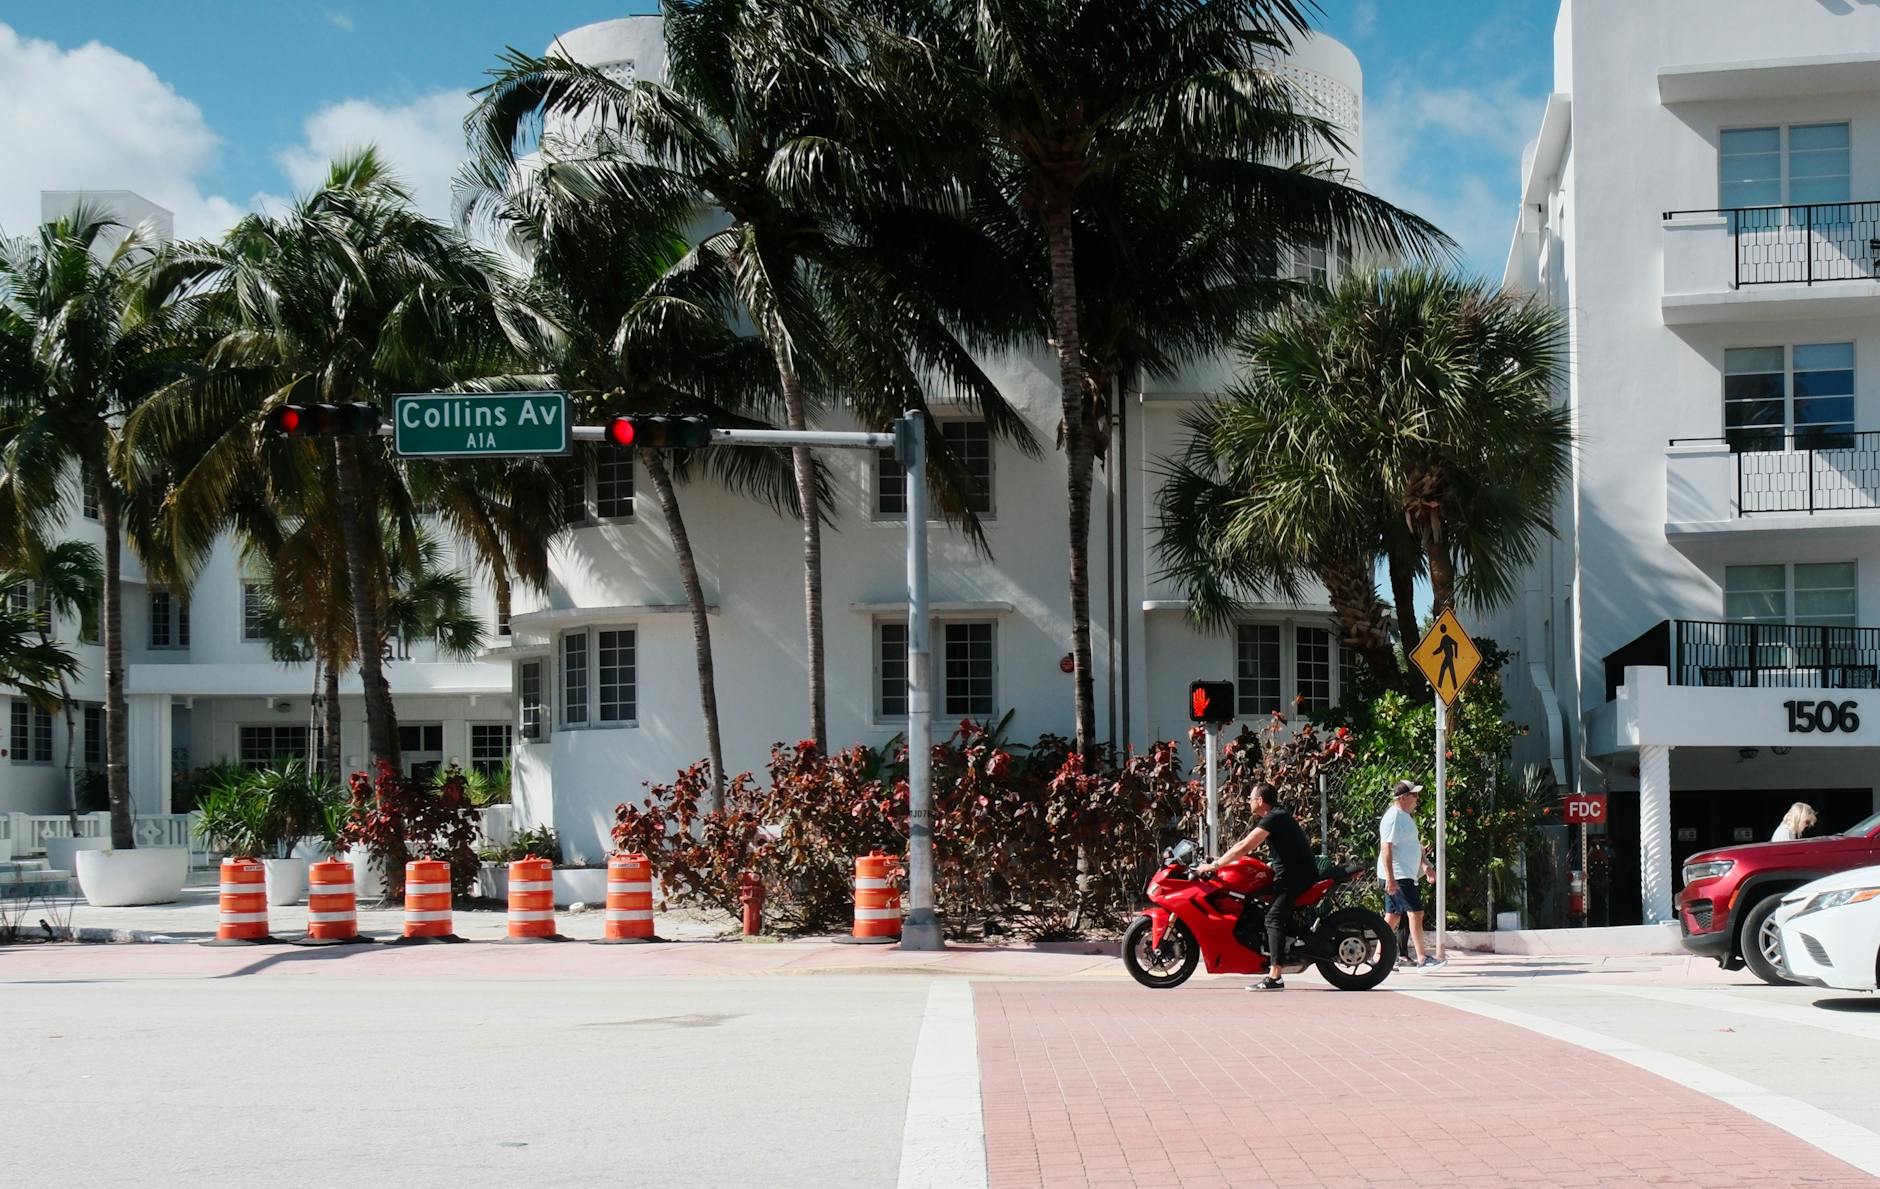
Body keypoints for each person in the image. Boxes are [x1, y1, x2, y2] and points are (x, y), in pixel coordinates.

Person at [1197, 781, 1318, 991]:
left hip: (1295, 876)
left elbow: (1245, 845)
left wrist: (1215, 865)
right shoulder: (1276, 816)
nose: (1248, 802)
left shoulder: (1274, 818)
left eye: (1250, 799)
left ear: (1260, 801)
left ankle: (1275, 977)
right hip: (1291, 874)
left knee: (1273, 918)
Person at [1380, 779, 1443, 969]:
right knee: (1416, 913)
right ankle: (1422, 959)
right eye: (1414, 795)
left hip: (1404, 874)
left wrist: (1425, 867)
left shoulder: (1405, 816)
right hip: (1398, 875)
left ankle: (1377, 958)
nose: (1417, 798)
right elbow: (1386, 848)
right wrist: (1391, 879)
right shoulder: (1394, 817)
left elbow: (1413, 846)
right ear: (1403, 797)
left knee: (1393, 916)